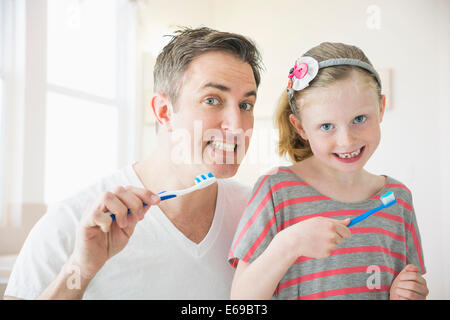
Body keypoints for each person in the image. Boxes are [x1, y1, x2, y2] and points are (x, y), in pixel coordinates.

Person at [4, 27, 263, 299]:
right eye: (212, 100)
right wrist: (80, 269)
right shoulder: (71, 222)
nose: (237, 126)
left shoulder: (256, 212)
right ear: (164, 112)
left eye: (246, 105)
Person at [228, 42, 428, 300]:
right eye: (326, 126)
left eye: (359, 119)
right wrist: (291, 243)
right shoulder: (276, 191)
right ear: (300, 127)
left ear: (380, 108)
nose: (346, 141)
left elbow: (410, 282)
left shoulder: (399, 200)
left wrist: (410, 292)